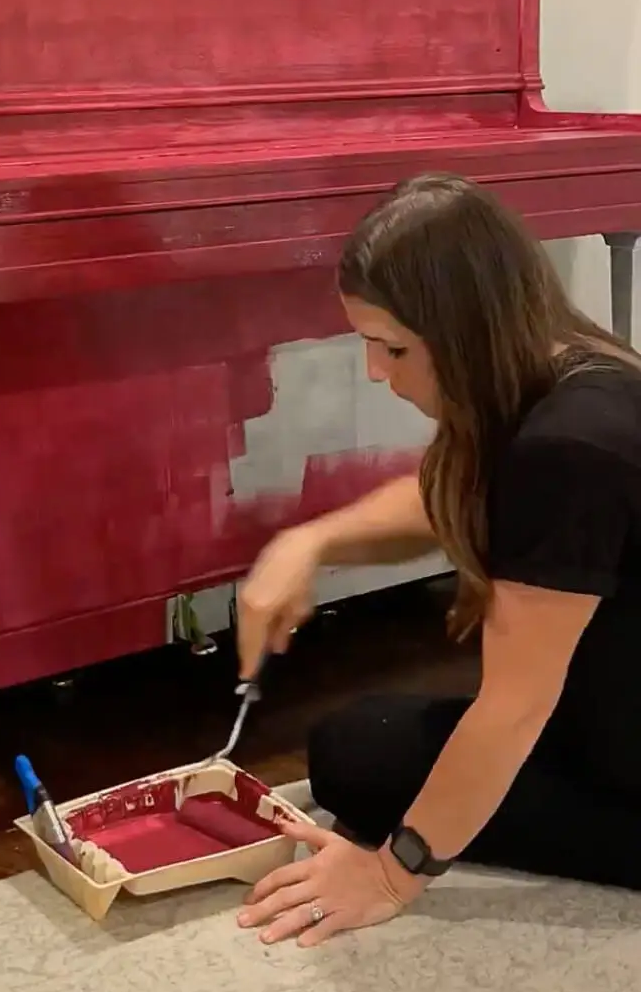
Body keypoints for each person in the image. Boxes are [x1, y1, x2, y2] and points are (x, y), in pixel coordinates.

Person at [235, 172, 641, 948]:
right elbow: (446, 496)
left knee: (360, 763)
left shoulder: (569, 448)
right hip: (606, 709)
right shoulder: (573, 367)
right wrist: (310, 542)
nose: (376, 371)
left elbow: (515, 705)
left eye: (392, 348)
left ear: (464, 333)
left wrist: (393, 875)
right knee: (360, 741)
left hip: (620, 753)